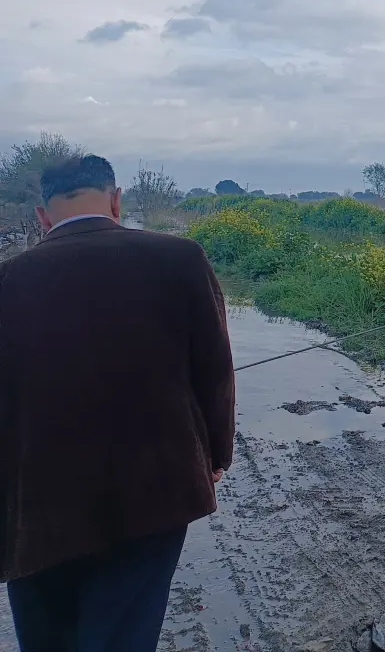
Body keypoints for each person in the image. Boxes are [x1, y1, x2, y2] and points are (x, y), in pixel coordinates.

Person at [0, 155, 235, 652]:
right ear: (116, 200)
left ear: (42, 216)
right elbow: (215, 369)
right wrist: (216, 456)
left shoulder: (9, 280)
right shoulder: (180, 258)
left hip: (37, 502)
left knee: (47, 637)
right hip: (156, 490)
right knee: (124, 633)